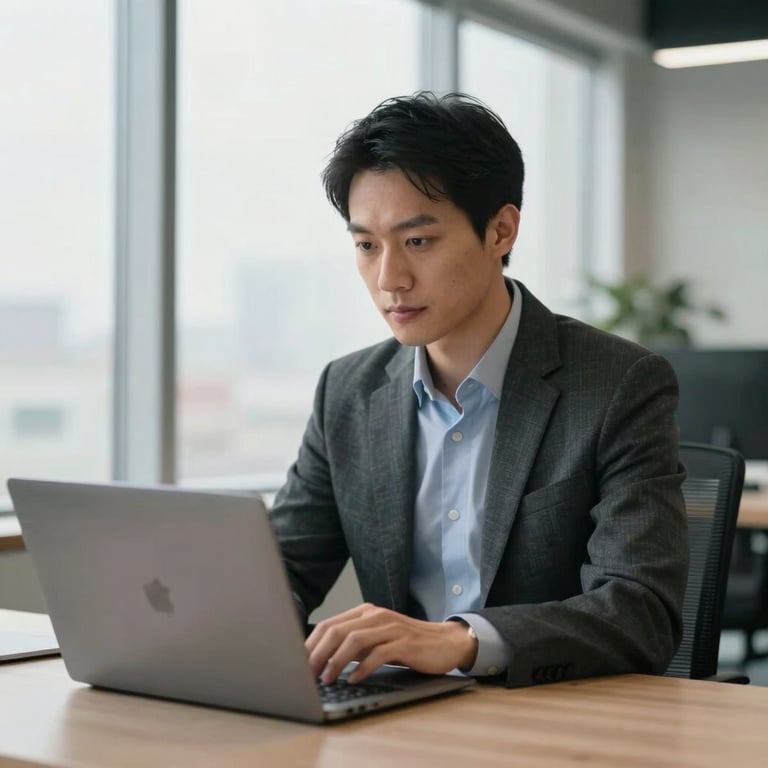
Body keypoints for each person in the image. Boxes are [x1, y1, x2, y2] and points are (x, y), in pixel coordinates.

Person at [269, 91, 687, 688]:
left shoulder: (619, 384)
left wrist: (460, 642)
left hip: (554, 720)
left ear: (500, 230)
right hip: (399, 722)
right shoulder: (348, 390)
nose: (389, 279)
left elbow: (639, 610)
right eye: (366, 245)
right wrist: (239, 633)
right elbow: (281, 565)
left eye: (418, 241)